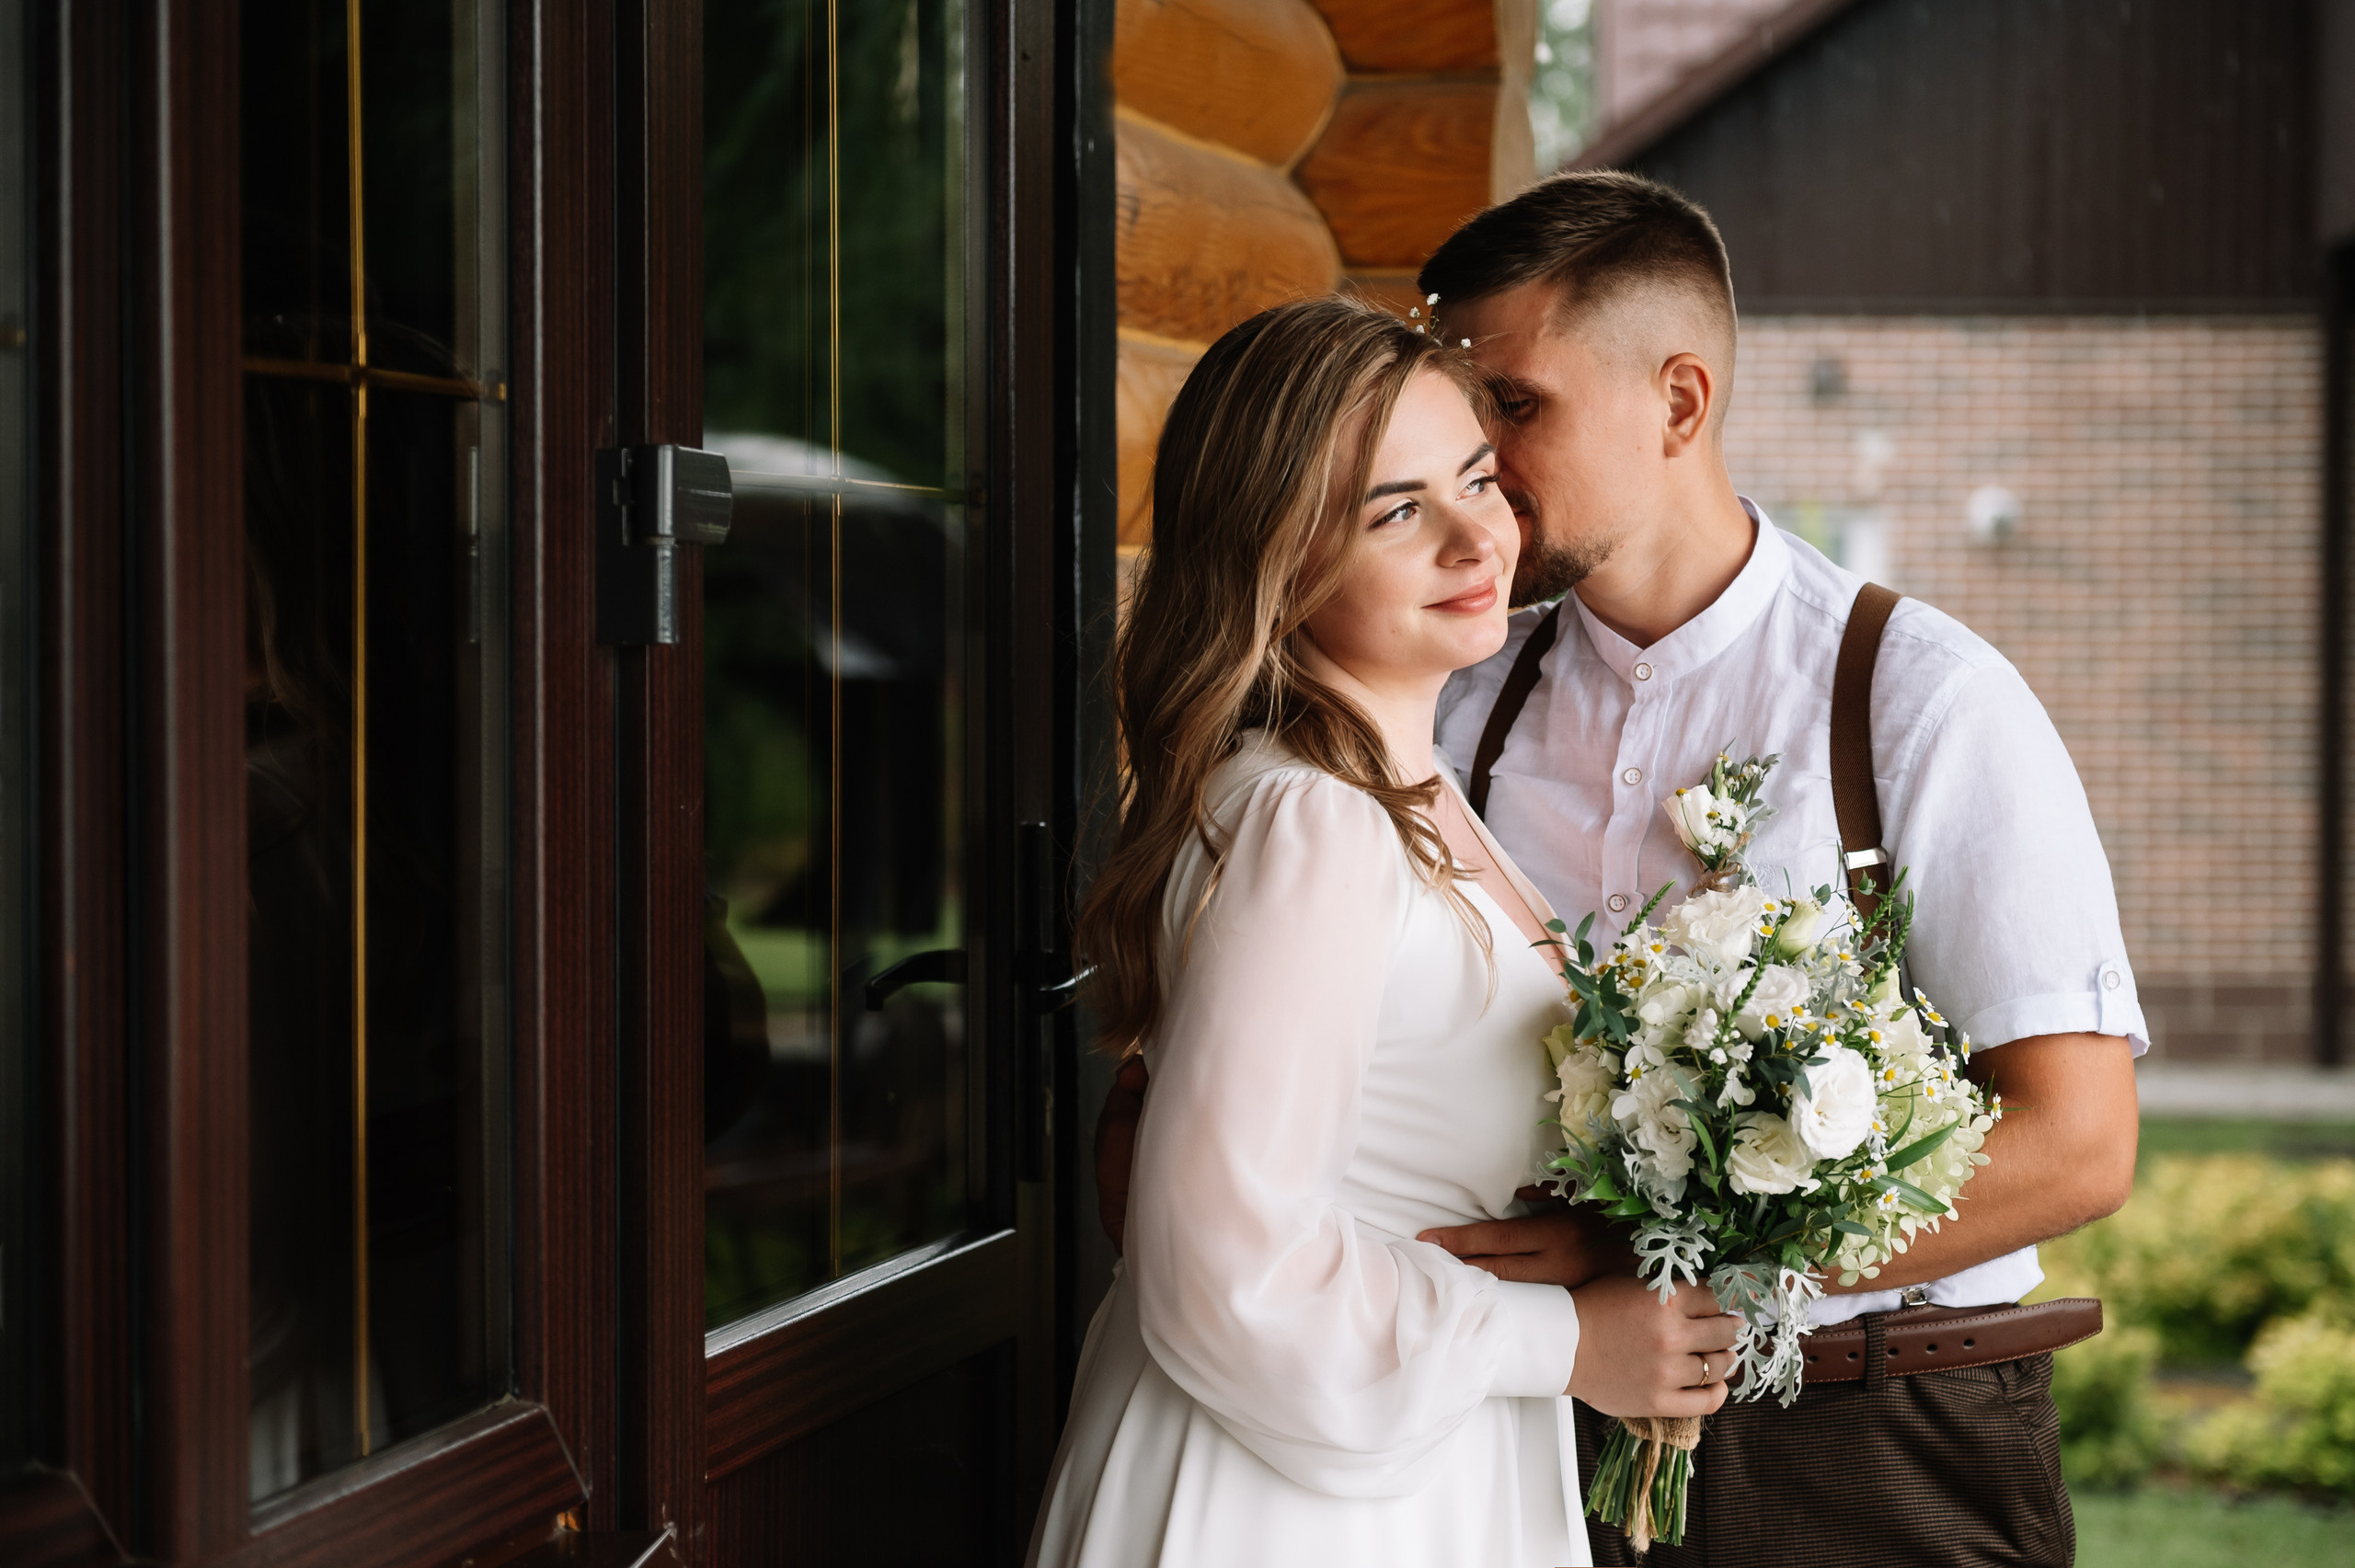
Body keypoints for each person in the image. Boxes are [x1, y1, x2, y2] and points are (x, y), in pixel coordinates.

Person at [1094, 172, 2143, 1568]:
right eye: (1442, 451)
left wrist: (1661, 1260)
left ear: (1680, 402)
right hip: (1503, 1410)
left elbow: (2079, 1140)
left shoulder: (1918, 698)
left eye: (1510, 411)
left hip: (1865, 1432)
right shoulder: (1446, 699)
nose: (1486, 471)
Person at [1030, 296, 1737, 1568]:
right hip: (1293, 1498)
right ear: (1276, 562)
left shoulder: (1399, 790)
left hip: (1407, 1452)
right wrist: (1569, 1342)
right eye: (1394, 511)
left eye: (1477, 478)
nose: (1478, 536)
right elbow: (1230, 1265)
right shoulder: (1315, 823)